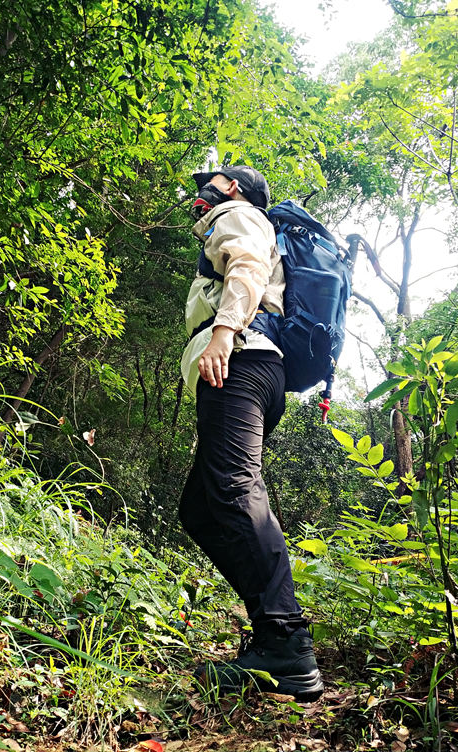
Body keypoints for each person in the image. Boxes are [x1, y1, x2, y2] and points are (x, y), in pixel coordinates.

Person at [179, 165, 324, 701]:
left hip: (242, 357)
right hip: (253, 365)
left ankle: (286, 645)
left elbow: (247, 267)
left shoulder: (236, 214)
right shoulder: (235, 215)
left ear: (232, 186)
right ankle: (273, 633)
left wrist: (223, 333)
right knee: (201, 508)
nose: (202, 188)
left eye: (211, 179)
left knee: (237, 490)